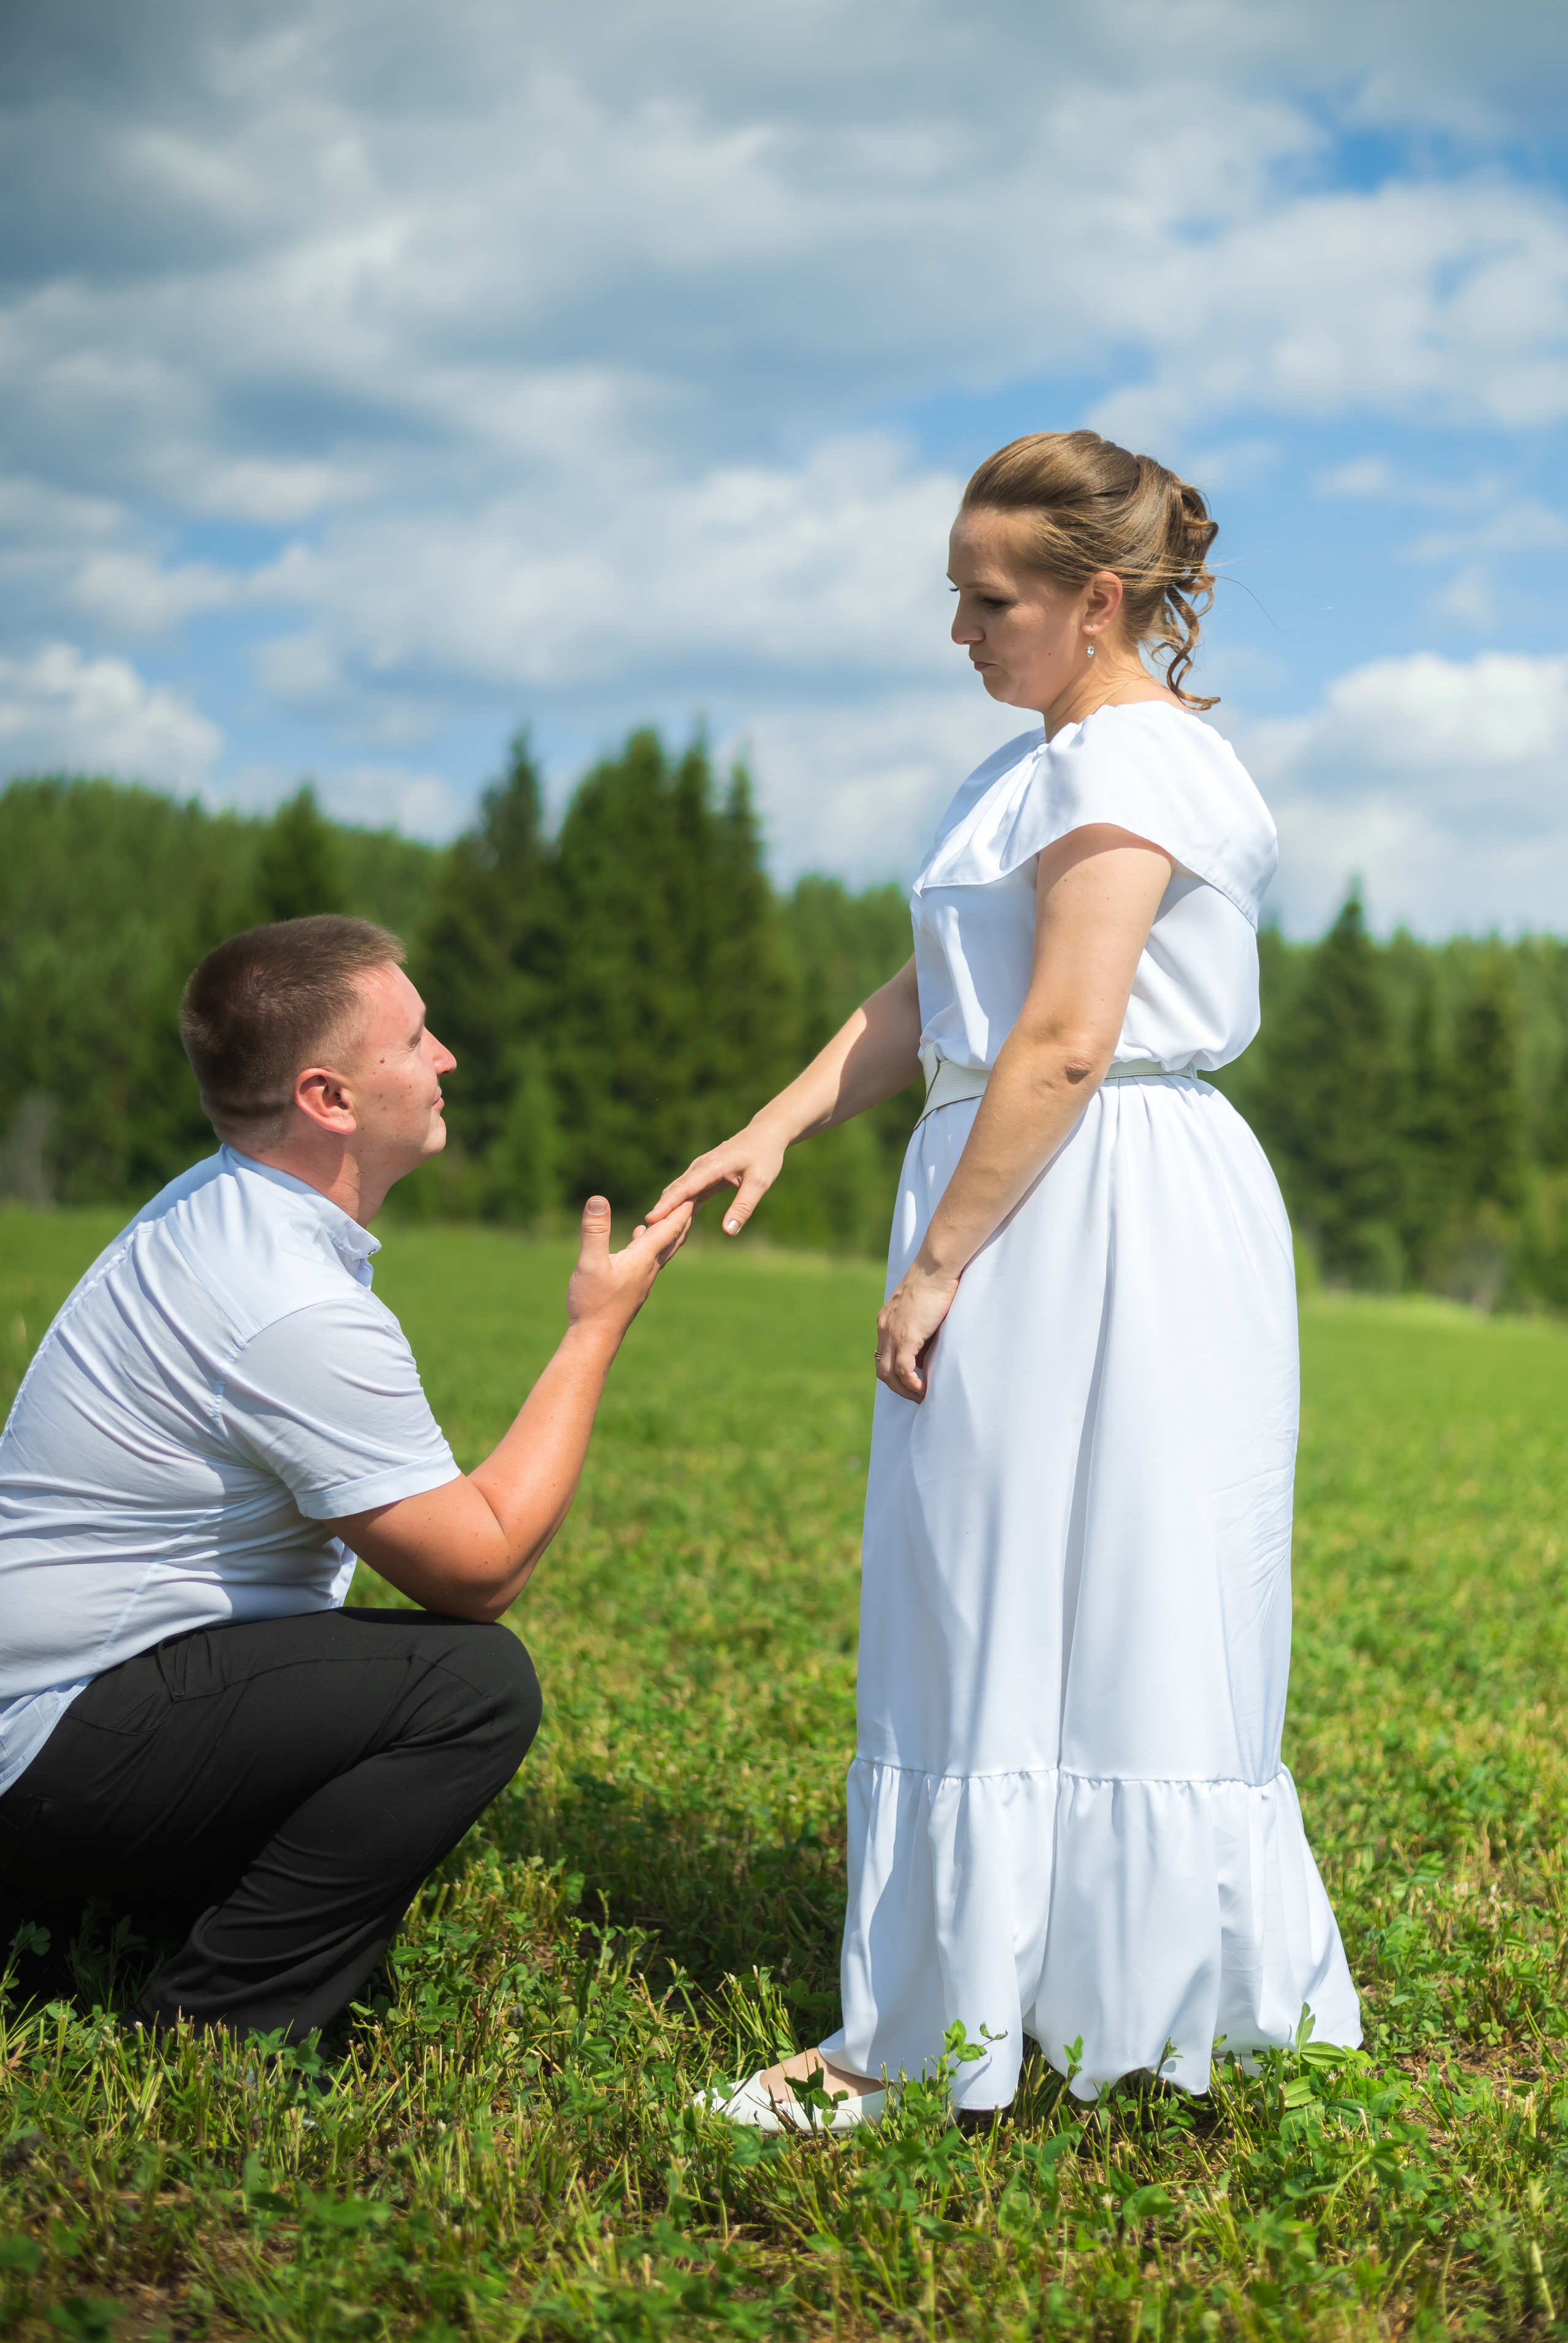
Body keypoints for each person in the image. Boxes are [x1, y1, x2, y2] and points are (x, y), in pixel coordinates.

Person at [661, 429, 1360, 2129]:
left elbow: (1058, 1040)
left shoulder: (1131, 766)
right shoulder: (1035, 766)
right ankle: (1009, 2001)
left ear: (1093, 599)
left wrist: (938, 1264)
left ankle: (939, 2041)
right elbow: (933, 1000)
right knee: (999, 1593)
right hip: (1044, 1181)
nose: (959, 630)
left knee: (1082, 1587)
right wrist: (776, 1126)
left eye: (988, 599)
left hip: (1089, 1200)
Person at [0, 914, 690, 2040]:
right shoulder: (286, 1298)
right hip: (53, 1743)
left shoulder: (210, 1207)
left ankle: (95, 1922)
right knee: (473, 1687)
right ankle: (223, 2024)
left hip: (48, 1708)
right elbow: (482, 1568)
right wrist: (594, 1333)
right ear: (328, 1098)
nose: (446, 1059)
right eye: (415, 1040)